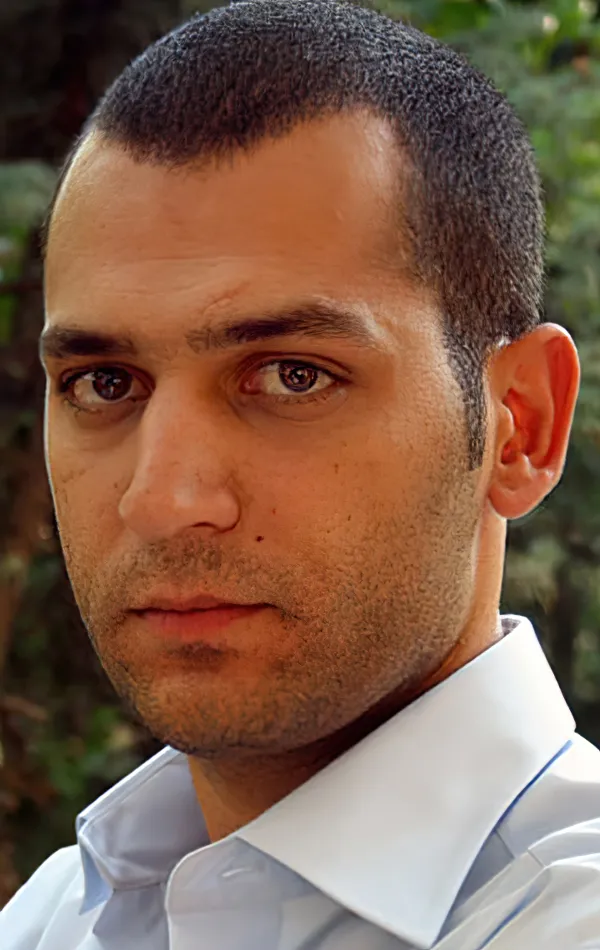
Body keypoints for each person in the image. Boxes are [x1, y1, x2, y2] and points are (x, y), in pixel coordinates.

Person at [1, 0, 598, 946]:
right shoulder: (54, 919)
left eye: (292, 375)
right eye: (104, 383)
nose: (161, 500)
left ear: (519, 425)